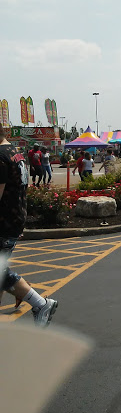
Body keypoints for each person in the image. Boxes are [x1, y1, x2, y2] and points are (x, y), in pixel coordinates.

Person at [0, 125, 58, 326]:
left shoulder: (0, 156)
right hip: (15, 218)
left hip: (4, 222)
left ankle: (40, 303)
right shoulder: (15, 153)